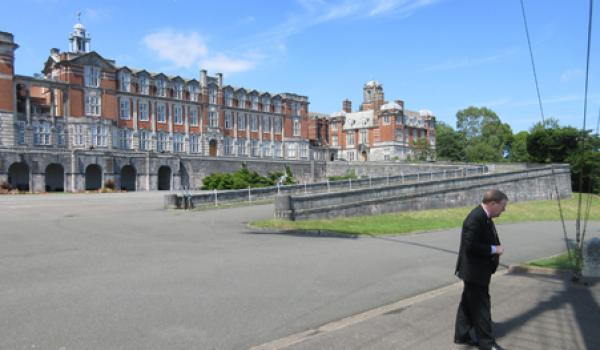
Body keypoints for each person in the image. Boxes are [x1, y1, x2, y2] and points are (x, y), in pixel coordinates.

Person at [454, 189, 508, 350]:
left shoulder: (485, 217)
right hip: (474, 272)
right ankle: (487, 343)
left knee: (468, 304)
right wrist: (494, 249)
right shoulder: (475, 218)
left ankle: (461, 335)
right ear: (493, 203)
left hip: (478, 271)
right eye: (502, 207)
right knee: (481, 308)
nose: (504, 210)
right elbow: (470, 246)